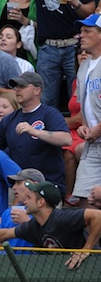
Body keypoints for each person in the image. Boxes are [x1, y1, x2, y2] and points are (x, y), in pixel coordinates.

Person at [0, 180, 101, 269]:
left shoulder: (61, 217)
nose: (24, 201)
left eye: (29, 197)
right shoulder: (33, 226)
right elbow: (4, 234)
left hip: (93, 264)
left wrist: (86, 249)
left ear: (41, 202)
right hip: (73, 268)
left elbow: (97, 215)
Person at [10, 0, 94, 109]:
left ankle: (76, 131)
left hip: (74, 46)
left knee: (78, 99)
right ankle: (46, 131)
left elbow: (90, 13)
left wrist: (75, 2)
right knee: (45, 101)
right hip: (48, 47)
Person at [0, 72, 71, 197]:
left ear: (37, 90)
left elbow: (66, 139)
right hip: (18, 189)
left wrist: (35, 131)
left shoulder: (49, 113)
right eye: (16, 87)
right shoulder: (10, 119)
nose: (17, 90)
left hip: (47, 187)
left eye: (22, 86)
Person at [72, 14, 101, 208]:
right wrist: (83, 126)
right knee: (84, 200)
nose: (81, 35)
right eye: (81, 31)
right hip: (92, 143)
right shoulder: (83, 67)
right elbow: (84, 107)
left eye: (87, 31)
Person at [0, 168, 45, 253]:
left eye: (19, 183)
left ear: (34, 184)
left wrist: (27, 222)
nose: (14, 187)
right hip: (8, 263)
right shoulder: (8, 212)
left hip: (38, 263)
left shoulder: (47, 210)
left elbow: (52, 242)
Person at [62, 44, 86, 205]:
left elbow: (80, 118)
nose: (82, 54)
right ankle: (68, 194)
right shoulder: (76, 81)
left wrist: (59, 123)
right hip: (73, 130)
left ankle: (77, 193)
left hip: (86, 128)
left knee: (70, 149)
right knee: (65, 150)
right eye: (79, 52)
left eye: (86, 52)